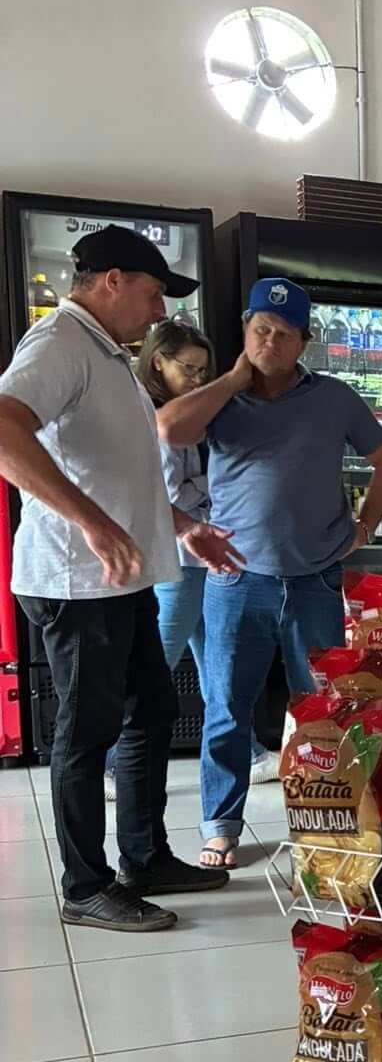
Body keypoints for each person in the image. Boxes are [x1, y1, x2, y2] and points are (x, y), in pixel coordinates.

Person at [0, 226, 243, 931]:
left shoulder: (107, 353)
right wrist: (92, 524)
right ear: (112, 281)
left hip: (122, 578)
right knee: (87, 734)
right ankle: (85, 887)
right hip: (77, 582)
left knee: (153, 712)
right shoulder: (59, 343)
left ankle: (145, 857)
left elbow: (119, 475)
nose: (160, 310)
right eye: (154, 292)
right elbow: (5, 427)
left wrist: (183, 525)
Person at [160, 276, 382, 869]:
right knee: (226, 707)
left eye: (284, 333)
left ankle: (325, 824)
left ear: (304, 342)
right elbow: (168, 430)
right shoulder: (221, 398)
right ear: (246, 331)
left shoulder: (334, 398)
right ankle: (221, 825)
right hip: (235, 580)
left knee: (323, 709)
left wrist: (365, 526)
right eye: (260, 329)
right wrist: (232, 380)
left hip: (315, 580)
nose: (270, 341)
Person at [103, 320, 275, 796]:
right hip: (178, 560)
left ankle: (248, 752)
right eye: (189, 369)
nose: (198, 379)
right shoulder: (159, 420)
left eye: (204, 370)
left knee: (215, 662)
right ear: (158, 362)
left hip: (199, 560)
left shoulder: (178, 412)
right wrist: (218, 482)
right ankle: (113, 761)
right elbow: (169, 495)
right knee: (158, 662)